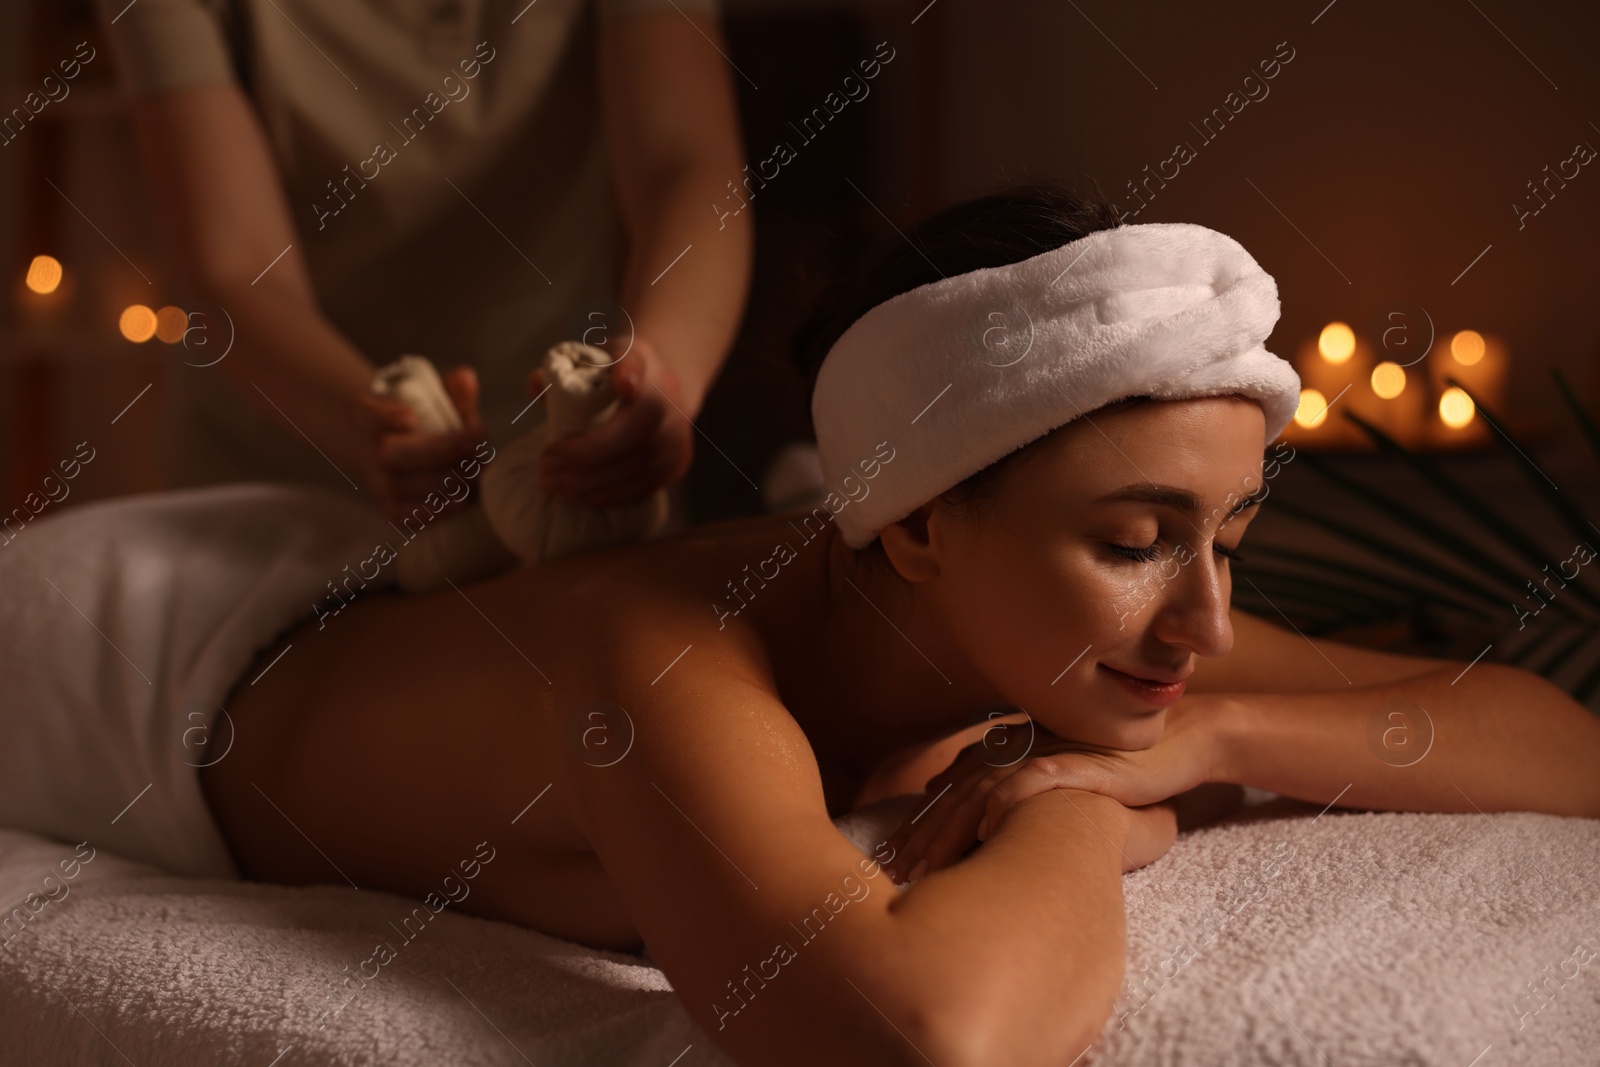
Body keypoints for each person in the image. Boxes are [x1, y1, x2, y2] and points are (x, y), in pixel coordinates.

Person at [13, 185, 1600, 1067]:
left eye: (1229, 537)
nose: (1205, 611)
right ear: (912, 521)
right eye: (1137, 539)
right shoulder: (664, 670)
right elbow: (920, 1040)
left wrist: (1217, 733)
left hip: (360, 583)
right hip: (117, 657)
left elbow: (1555, 734)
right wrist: (1085, 809)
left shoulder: (1091, 622)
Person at [92, 0, 752, 522]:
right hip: (276, 486)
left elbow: (684, 166)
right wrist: (374, 426)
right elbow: (237, 268)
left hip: (571, 471)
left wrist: (660, 373)